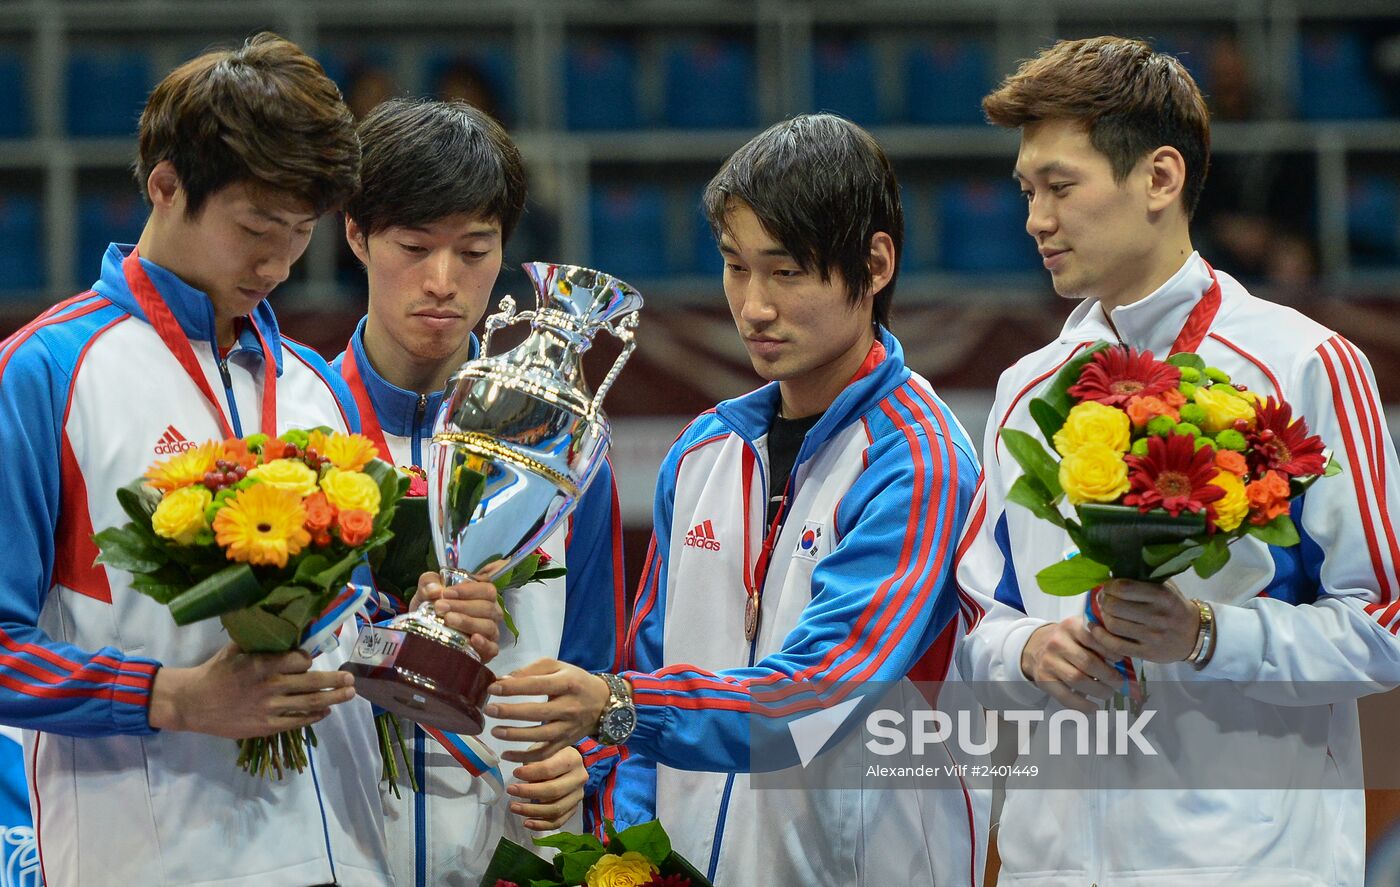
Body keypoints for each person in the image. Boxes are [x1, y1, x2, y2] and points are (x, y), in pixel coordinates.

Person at [0, 34, 504, 886]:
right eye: (255, 227)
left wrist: (422, 629)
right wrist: (171, 697)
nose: (276, 262)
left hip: (342, 854)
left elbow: (348, 630)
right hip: (154, 858)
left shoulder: (313, 388)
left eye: (300, 233)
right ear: (164, 185)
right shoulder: (47, 372)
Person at [487, 113, 988, 885]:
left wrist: (615, 702)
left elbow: (816, 694)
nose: (753, 306)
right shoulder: (703, 451)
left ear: (876, 263)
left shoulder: (919, 461)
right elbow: (650, 666)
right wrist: (632, 850)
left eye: (785, 271)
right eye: (735, 266)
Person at [955, 36, 1400, 886]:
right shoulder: (1027, 388)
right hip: (1054, 866)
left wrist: (1208, 634)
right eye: (1025, 191)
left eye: (1059, 187)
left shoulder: (1306, 366)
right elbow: (978, 620)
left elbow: (1385, 624)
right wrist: (1028, 650)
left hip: (1251, 865)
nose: (1034, 220)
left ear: (1160, 178)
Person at [332, 97, 628, 886]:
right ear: (355, 232)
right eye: (414, 245)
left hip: (514, 844)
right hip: (340, 845)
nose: (442, 281)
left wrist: (586, 760)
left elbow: (601, 662)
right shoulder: (301, 431)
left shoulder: (563, 449)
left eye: (473, 250)